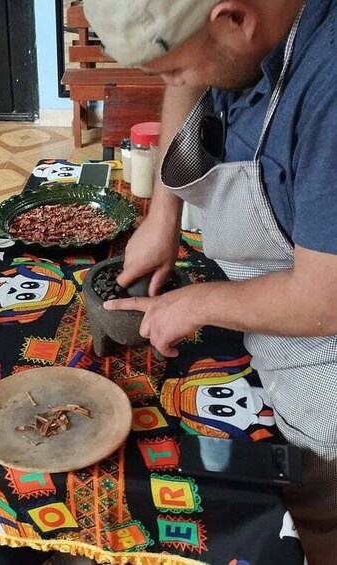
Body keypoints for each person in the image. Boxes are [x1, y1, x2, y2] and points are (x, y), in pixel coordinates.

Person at [83, 0, 337, 563]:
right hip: (273, 295)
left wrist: (196, 303)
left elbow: (325, 300)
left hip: (326, 346)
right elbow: (190, 86)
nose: (173, 84)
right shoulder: (239, 36)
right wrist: (161, 215)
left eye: (175, 69)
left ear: (235, 20)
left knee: (310, 518)